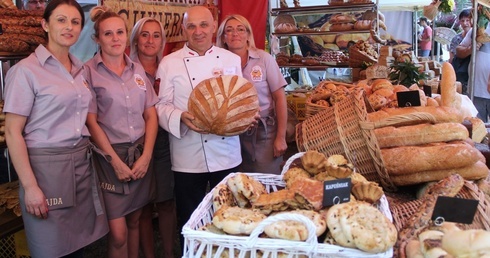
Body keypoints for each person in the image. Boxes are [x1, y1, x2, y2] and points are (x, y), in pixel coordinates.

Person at [3, 0, 109, 257]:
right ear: (45, 25)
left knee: (78, 247)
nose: (69, 27)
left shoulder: (80, 70)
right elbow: (12, 132)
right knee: (51, 248)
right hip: (45, 172)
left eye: (75, 22)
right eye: (61, 20)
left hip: (80, 166)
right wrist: (30, 187)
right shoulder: (25, 71)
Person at [154, 5, 243, 251]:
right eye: (191, 26)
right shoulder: (169, 63)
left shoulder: (231, 60)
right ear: (184, 29)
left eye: (204, 25)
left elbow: (241, 99)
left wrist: (245, 117)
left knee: (231, 218)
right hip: (187, 155)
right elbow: (160, 106)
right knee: (190, 219)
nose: (198, 31)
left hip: (226, 153)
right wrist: (181, 116)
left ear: (214, 27)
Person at [85, 6, 159, 258]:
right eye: (108, 34)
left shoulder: (137, 70)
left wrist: (147, 155)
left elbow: (150, 114)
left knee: (136, 220)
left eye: (119, 32)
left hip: (139, 153)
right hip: (109, 158)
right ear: (97, 39)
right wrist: (114, 161)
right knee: (117, 233)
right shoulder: (88, 72)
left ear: (127, 36)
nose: (115, 38)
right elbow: (91, 122)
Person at [129, 17, 177, 258]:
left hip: (166, 141)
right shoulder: (127, 68)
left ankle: (169, 253)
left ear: (162, 41)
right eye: (144, 34)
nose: (150, 40)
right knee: (144, 207)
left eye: (156, 35)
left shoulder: (169, 67)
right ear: (136, 39)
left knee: (167, 201)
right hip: (138, 143)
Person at [216, 14, 288, 175]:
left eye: (240, 29)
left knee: (265, 181)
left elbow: (280, 98)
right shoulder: (217, 63)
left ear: (248, 35)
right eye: (229, 30)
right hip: (229, 135)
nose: (235, 34)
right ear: (223, 37)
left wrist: (281, 137)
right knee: (236, 183)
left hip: (263, 132)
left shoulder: (264, 59)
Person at [457, 16, 490, 122]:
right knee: (477, 131)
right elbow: (459, 50)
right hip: (476, 91)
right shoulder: (476, 29)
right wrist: (470, 49)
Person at [450, 9, 472, 95]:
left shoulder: (477, 36)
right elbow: (451, 58)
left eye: (467, 20)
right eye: (462, 21)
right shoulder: (456, 39)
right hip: (459, 74)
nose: (465, 23)